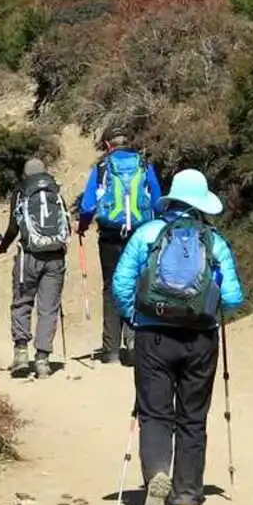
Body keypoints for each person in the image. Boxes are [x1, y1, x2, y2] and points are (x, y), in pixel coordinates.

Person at [111, 168, 244, 505]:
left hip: (153, 337)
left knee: (154, 414)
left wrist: (135, 317)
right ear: (201, 205)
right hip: (200, 339)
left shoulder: (147, 234)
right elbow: (233, 297)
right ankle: (186, 499)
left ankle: (156, 473)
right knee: (192, 418)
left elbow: (121, 283)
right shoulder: (214, 241)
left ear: (171, 199)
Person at [76, 128, 163, 365]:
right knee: (137, 285)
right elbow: (157, 200)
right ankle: (134, 342)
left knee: (111, 287)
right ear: (129, 143)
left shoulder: (102, 168)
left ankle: (111, 350)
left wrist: (82, 226)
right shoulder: (144, 165)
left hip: (110, 237)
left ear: (107, 144)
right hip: (140, 235)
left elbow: (87, 206)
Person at [0, 158, 71, 379]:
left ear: (26, 174)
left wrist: (2, 247)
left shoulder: (22, 191)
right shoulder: (55, 190)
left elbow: (13, 226)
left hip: (29, 256)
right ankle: (43, 360)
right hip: (55, 257)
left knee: (22, 302)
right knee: (48, 308)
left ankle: (20, 353)